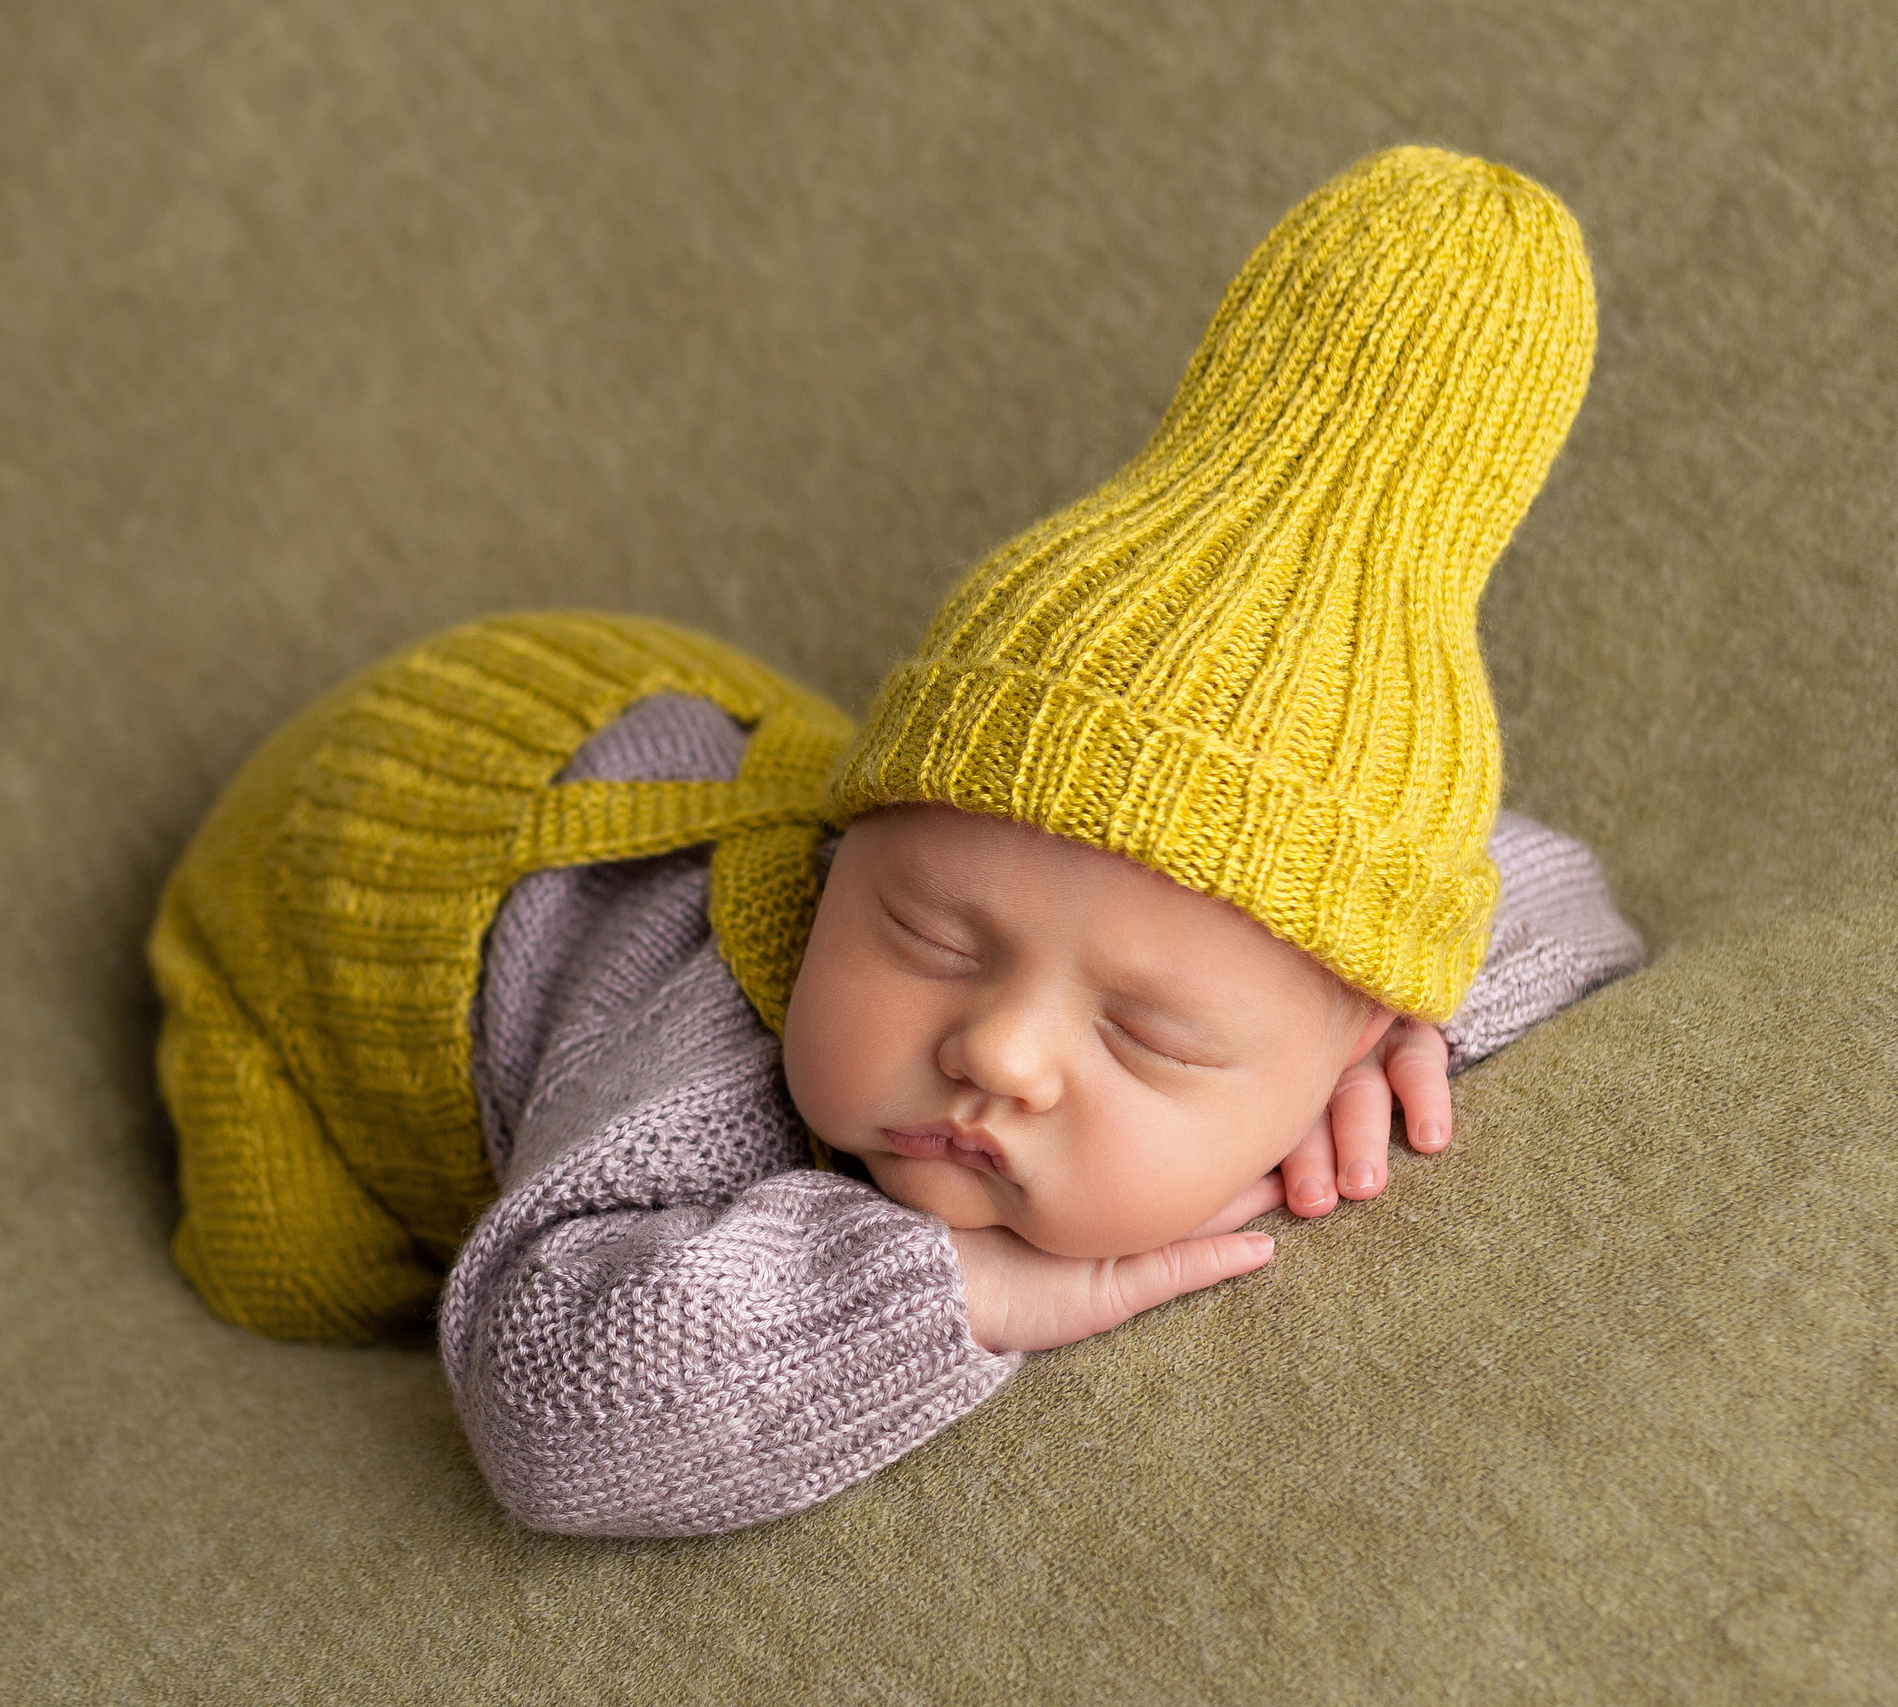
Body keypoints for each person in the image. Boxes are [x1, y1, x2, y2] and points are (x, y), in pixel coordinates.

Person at [147, 146, 1645, 1537]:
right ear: (848, 853)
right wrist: (948, 1289)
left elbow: (1556, 903)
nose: (997, 1053)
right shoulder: (715, 1068)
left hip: (636, 709)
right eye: (927, 935)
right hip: (338, 877)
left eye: (1152, 1036)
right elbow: (552, 1405)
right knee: (300, 1266)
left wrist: (1406, 1039)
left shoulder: (1351, 963)